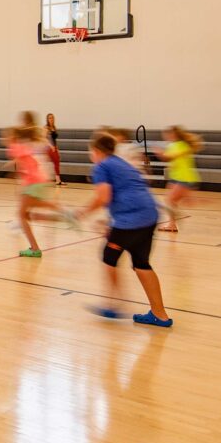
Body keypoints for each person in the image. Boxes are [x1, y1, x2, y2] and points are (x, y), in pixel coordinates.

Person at [75, 132, 171, 328]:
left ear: (96, 151)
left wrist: (82, 213)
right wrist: (111, 223)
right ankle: (159, 314)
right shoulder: (121, 162)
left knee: (109, 256)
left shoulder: (101, 166)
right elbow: (128, 192)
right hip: (149, 215)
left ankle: (114, 305)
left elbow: (103, 198)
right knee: (141, 264)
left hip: (132, 219)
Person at [9, 125, 76, 257]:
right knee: (29, 213)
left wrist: (20, 178)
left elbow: (27, 162)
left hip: (33, 182)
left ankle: (35, 249)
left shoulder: (18, 146)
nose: (6, 138)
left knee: (22, 215)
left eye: (8, 135)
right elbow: (32, 162)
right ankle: (66, 215)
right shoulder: (29, 145)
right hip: (39, 181)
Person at [155, 126, 204, 233]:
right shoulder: (178, 145)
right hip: (176, 177)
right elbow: (172, 158)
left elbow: (168, 157)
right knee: (171, 201)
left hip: (183, 177)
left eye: (168, 134)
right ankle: (172, 224)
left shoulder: (179, 145)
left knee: (170, 200)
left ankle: (172, 224)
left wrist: (159, 153)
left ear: (174, 135)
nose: (166, 136)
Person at [45, 113, 64, 185]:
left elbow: (55, 140)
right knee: (53, 163)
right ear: (47, 119)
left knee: (57, 163)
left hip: (54, 147)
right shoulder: (46, 128)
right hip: (49, 148)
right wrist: (51, 146)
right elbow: (44, 139)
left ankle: (58, 180)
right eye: (49, 118)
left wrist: (57, 149)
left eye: (52, 118)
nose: (51, 119)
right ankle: (54, 179)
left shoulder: (54, 127)